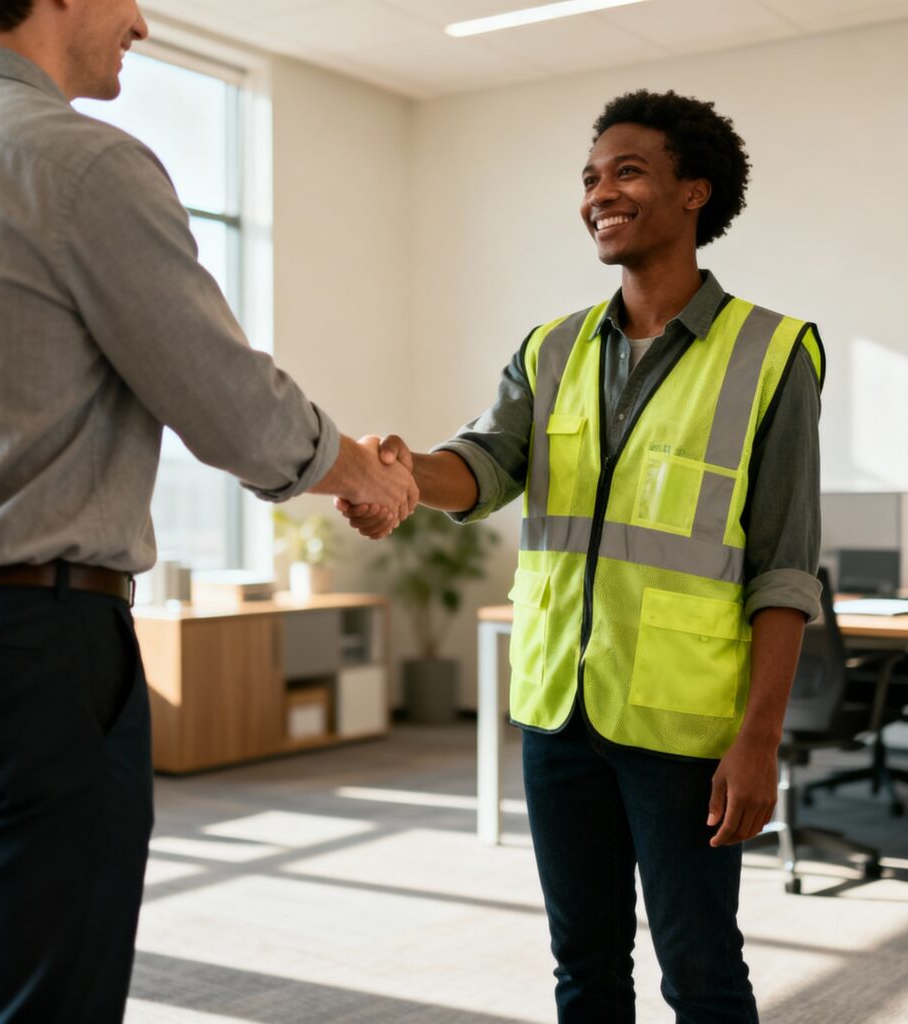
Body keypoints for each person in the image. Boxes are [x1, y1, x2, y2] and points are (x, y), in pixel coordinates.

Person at [341, 89, 824, 1022]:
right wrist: (401, 474)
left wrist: (759, 737)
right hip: (559, 714)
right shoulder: (550, 347)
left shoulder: (773, 352)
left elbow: (784, 566)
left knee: (701, 972)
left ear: (696, 193)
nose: (599, 193)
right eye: (591, 177)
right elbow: (483, 467)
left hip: (681, 726)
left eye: (628, 171)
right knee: (584, 967)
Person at [0, 1, 416, 1020]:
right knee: (46, 979)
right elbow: (230, 407)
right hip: (31, 649)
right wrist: (365, 469)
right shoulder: (77, 165)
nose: (140, 18)